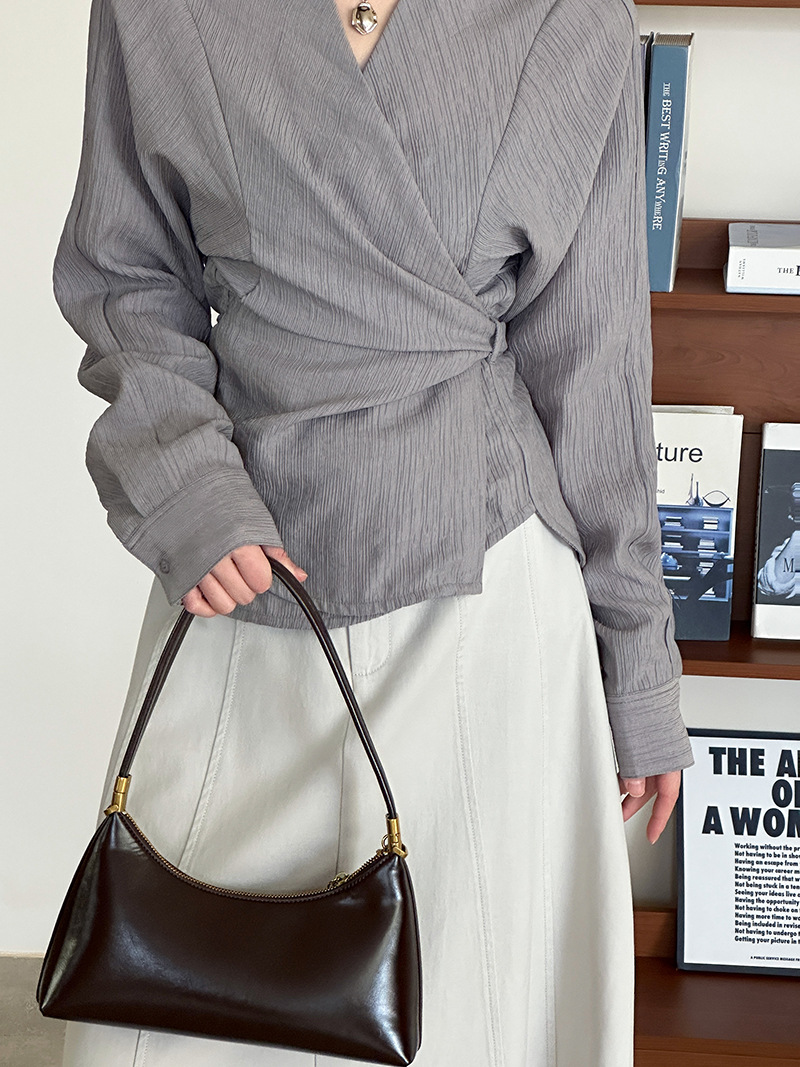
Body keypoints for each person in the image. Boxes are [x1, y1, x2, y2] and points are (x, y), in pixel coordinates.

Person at [53, 0, 695, 1061]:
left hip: (489, 587)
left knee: (477, 1012)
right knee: (180, 1005)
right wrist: (188, 493)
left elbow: (594, 361)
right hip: (242, 562)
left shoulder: (570, 15)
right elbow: (125, 277)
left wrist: (638, 670)